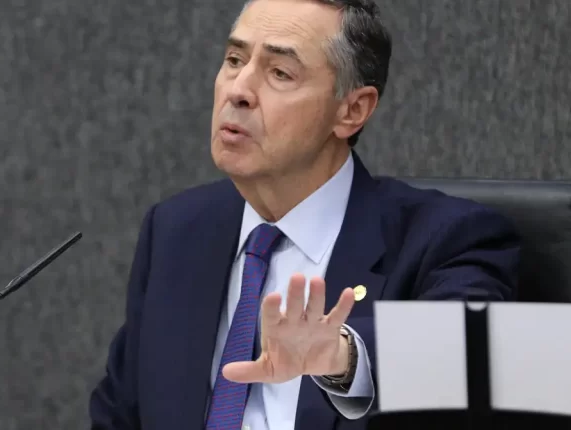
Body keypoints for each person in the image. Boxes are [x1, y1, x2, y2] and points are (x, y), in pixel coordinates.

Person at [89, 0, 521, 429]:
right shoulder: (177, 231)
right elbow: (119, 415)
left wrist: (342, 357)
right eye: (235, 60)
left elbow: (464, 349)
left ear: (352, 110)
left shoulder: (444, 238)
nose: (238, 90)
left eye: (280, 73)